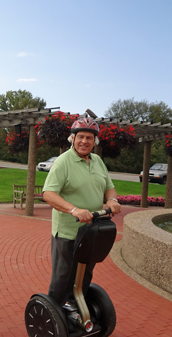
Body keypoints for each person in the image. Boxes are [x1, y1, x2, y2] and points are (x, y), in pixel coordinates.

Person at [42, 117, 121, 308]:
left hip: (92, 231)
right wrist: (74, 210)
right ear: (72, 138)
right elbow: (48, 194)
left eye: (89, 138)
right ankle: (56, 312)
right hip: (68, 232)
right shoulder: (63, 162)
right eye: (81, 137)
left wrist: (112, 200)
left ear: (95, 142)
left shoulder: (98, 161)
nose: (84, 141)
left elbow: (109, 187)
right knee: (64, 275)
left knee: (85, 273)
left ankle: (76, 309)